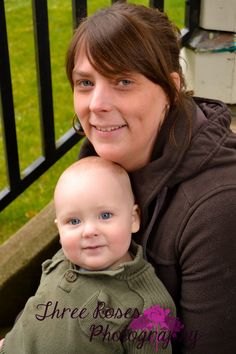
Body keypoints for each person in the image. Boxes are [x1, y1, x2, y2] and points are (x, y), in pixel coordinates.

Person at [65, 2, 236, 353]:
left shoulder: (217, 207)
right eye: (85, 82)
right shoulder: (101, 160)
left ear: (170, 89)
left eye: (123, 81)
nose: (96, 104)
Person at [0, 156, 177, 353]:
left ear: (133, 219)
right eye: (74, 221)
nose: (89, 231)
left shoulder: (147, 307)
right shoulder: (64, 258)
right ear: (59, 229)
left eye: (105, 215)